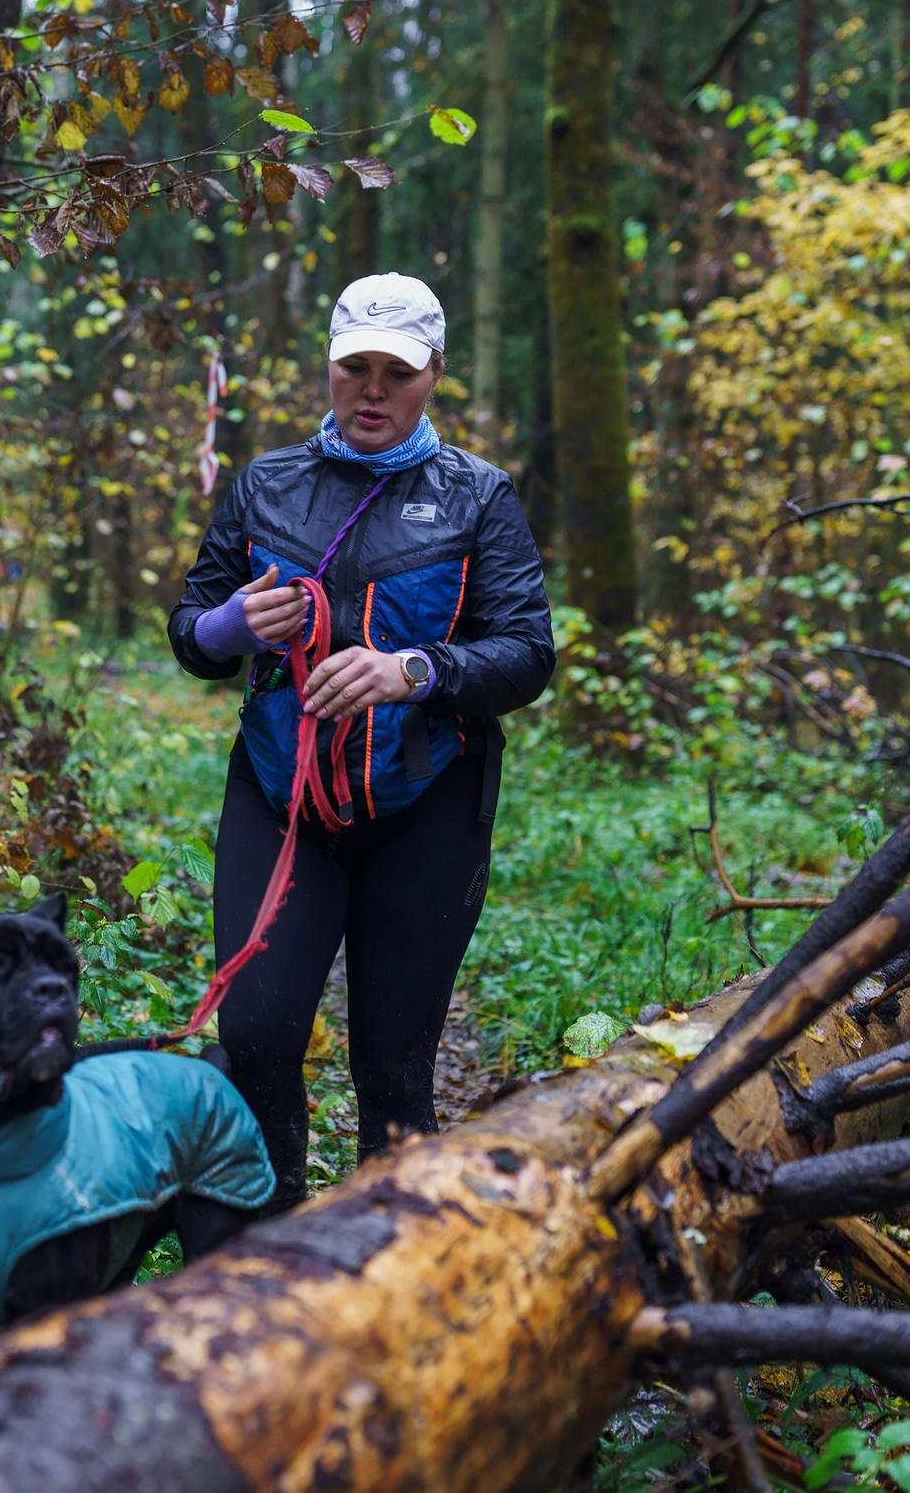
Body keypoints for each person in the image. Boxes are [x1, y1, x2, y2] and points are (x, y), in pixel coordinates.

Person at [167, 272, 553, 1210]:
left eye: (396, 371)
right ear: (330, 366)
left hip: (426, 808)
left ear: (434, 377)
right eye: (355, 368)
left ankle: (388, 1280)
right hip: (280, 799)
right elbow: (189, 633)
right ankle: (272, 1256)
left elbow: (527, 653)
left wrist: (411, 671)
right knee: (255, 1037)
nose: (372, 390)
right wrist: (231, 626)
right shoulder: (267, 485)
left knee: (392, 1069)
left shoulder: (477, 496)